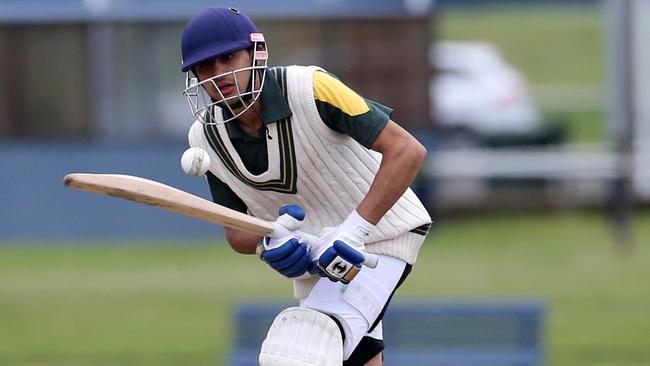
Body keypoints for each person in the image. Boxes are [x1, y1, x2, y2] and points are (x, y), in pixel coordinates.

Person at [180, 7, 432, 366]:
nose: (219, 74)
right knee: (349, 357)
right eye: (206, 67)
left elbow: (407, 151)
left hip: (382, 235)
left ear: (256, 53)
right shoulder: (204, 137)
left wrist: (353, 232)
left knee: (303, 349)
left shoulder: (311, 87)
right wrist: (273, 239)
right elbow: (236, 233)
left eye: (228, 58)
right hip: (319, 262)